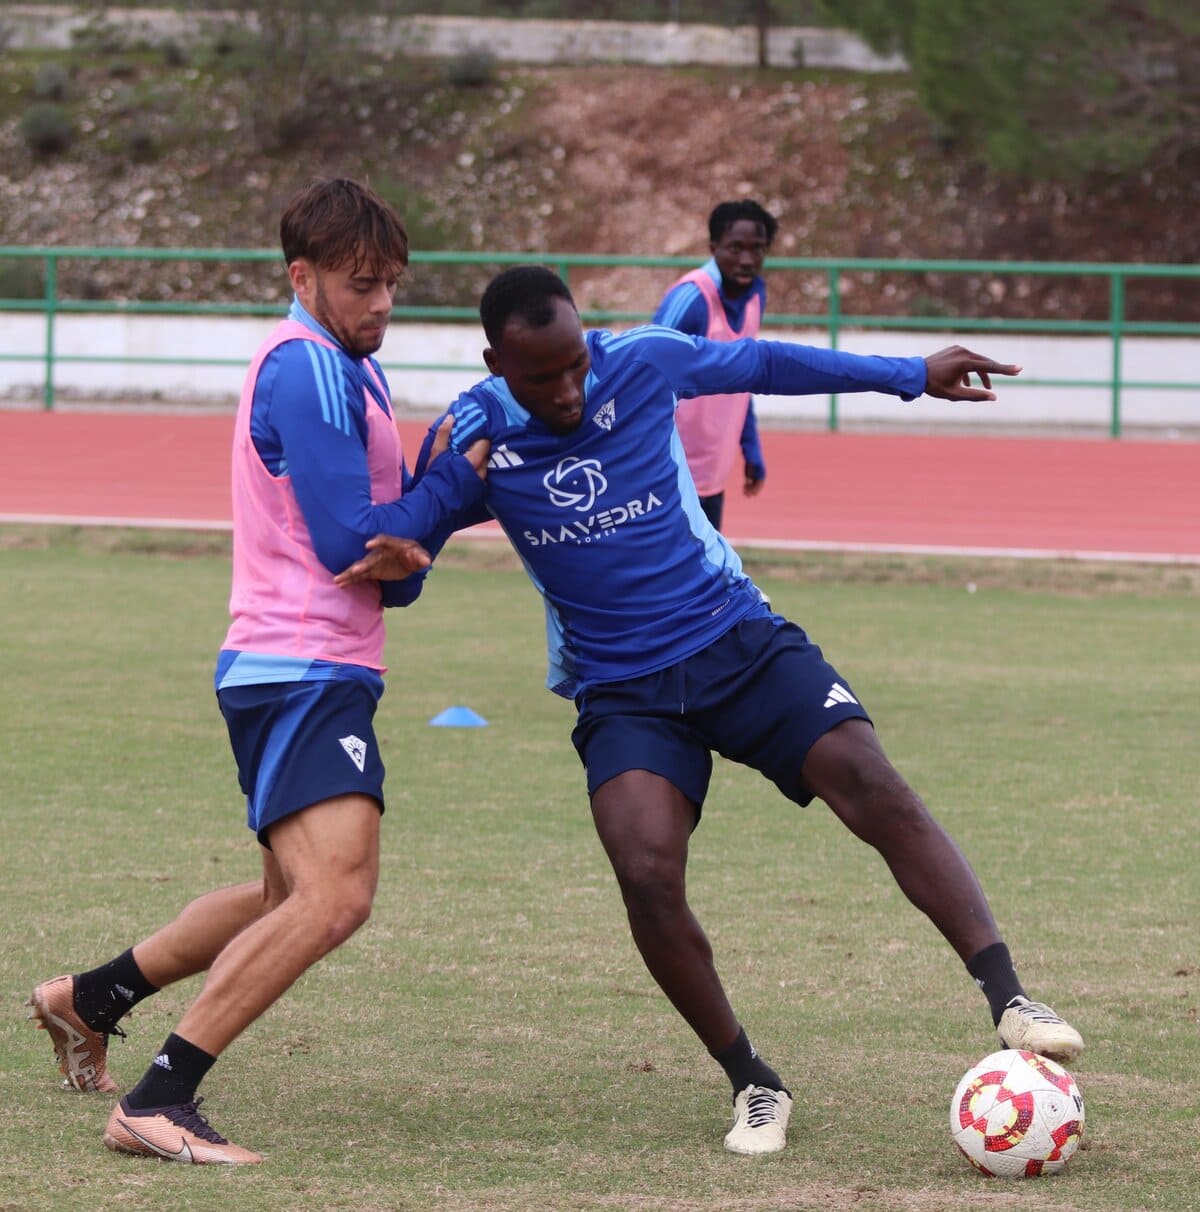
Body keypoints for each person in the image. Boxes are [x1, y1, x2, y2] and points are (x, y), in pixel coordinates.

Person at [337, 265, 1084, 1157]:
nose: (569, 390)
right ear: (497, 361)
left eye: (576, 363)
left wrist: (911, 374)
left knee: (872, 782)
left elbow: (764, 363)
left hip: (738, 642)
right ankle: (753, 1080)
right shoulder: (474, 432)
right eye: (543, 377)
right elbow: (410, 560)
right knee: (644, 868)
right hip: (625, 692)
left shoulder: (643, 361)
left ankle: (1010, 996)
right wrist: (412, 535)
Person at [28, 177, 487, 1165]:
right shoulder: (308, 370)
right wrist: (451, 484)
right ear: (303, 275)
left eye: (394, 285)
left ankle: (91, 997)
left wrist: (441, 502)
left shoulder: (349, 369)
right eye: (364, 284)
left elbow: (392, 572)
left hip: (317, 664)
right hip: (299, 667)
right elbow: (348, 546)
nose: (383, 305)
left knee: (285, 900)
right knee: (337, 896)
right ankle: (158, 1098)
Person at [652, 200, 777, 531]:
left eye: (758, 249)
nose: (747, 260)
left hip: (712, 473)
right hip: (669, 474)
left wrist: (750, 447)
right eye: (735, 248)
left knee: (707, 576)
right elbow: (644, 375)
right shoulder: (691, 300)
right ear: (713, 247)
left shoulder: (755, 297)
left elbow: (743, 376)